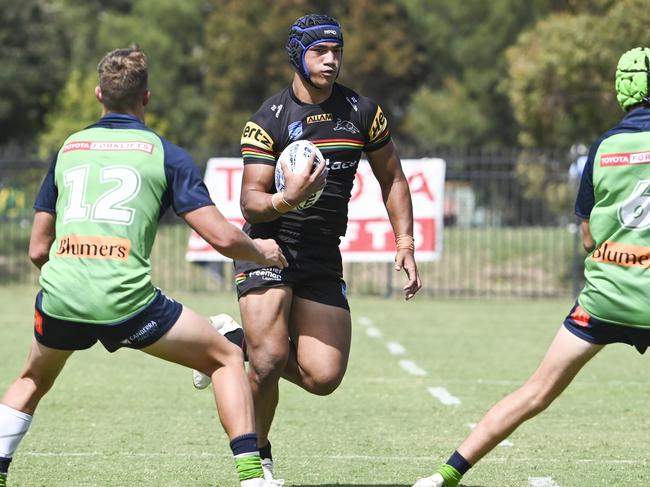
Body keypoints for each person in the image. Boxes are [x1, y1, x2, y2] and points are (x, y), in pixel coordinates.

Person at [0, 47, 287, 487]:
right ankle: (253, 476)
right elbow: (223, 237)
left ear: (99, 95)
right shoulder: (165, 154)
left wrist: (74, 274)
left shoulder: (69, 148)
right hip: (126, 301)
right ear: (146, 98)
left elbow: (39, 248)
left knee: (31, 379)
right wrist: (262, 252)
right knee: (226, 357)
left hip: (61, 294)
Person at [192, 13, 422, 483]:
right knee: (271, 359)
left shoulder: (362, 112)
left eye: (337, 51)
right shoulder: (267, 121)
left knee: (323, 377)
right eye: (320, 52)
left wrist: (405, 242)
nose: (331, 60)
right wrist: (286, 199)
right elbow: (251, 204)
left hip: (321, 255)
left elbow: (392, 177)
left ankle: (230, 340)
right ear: (298, 55)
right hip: (267, 247)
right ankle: (258, 462)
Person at [413, 46, 650, 487]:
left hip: (606, 298)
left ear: (621, 91)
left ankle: (446, 474)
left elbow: (586, 236)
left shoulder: (602, 150)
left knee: (535, 391)